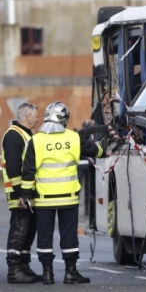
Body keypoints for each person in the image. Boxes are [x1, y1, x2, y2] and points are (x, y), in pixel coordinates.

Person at [20, 101, 105, 284]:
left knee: (45, 236)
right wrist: (105, 147)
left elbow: (28, 171)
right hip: (68, 197)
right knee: (69, 235)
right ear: (65, 119)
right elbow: (95, 151)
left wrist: (25, 196)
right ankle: (70, 273)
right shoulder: (73, 137)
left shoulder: (36, 140)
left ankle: (47, 274)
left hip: (43, 199)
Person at [1, 102, 40, 284]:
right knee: (19, 229)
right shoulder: (13, 136)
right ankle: (14, 270)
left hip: (26, 194)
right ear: (27, 116)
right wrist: (21, 195)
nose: (39, 119)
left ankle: (23, 266)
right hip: (19, 195)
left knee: (28, 230)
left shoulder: (25, 135)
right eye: (36, 116)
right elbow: (14, 168)